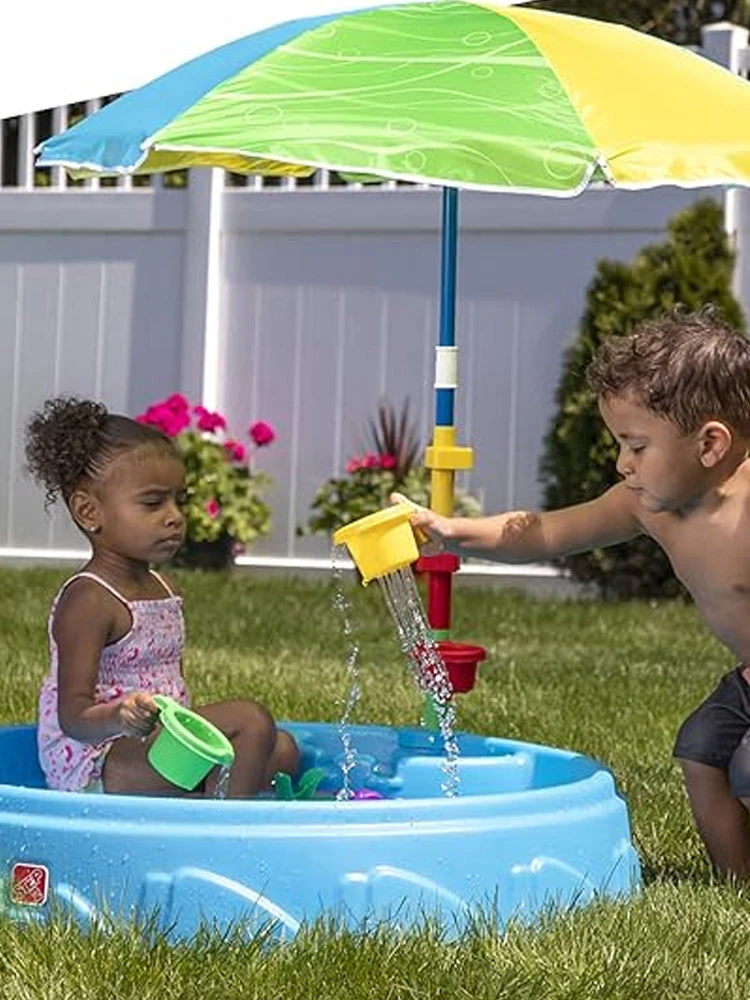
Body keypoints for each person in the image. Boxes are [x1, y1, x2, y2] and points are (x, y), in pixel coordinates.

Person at [396, 307, 750, 878]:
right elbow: (545, 532)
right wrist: (452, 530)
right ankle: (735, 883)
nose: (622, 463)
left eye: (637, 446)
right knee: (700, 749)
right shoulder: (646, 506)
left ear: (709, 444)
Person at [25, 395, 299, 798]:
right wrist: (118, 716)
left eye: (179, 500)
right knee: (251, 721)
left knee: (283, 749)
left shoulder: (164, 588)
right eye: (153, 503)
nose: (174, 516)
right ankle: (227, 824)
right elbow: (73, 717)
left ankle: (212, 797)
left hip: (160, 747)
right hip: (101, 759)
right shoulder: (89, 599)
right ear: (89, 512)